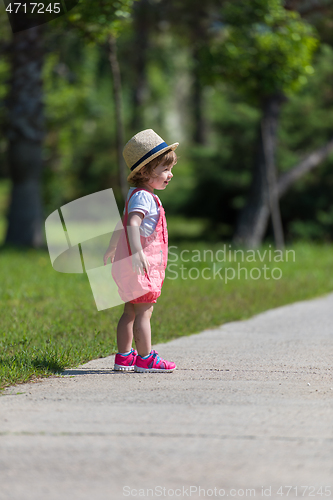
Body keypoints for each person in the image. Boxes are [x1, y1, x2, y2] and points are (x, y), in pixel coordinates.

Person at [103, 129, 178, 373]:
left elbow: (122, 222)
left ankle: (124, 356)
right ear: (145, 172)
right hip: (140, 263)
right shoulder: (144, 198)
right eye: (165, 170)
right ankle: (146, 358)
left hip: (130, 263)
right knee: (145, 311)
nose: (170, 174)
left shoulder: (136, 195)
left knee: (129, 310)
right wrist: (136, 252)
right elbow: (132, 223)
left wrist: (113, 247)